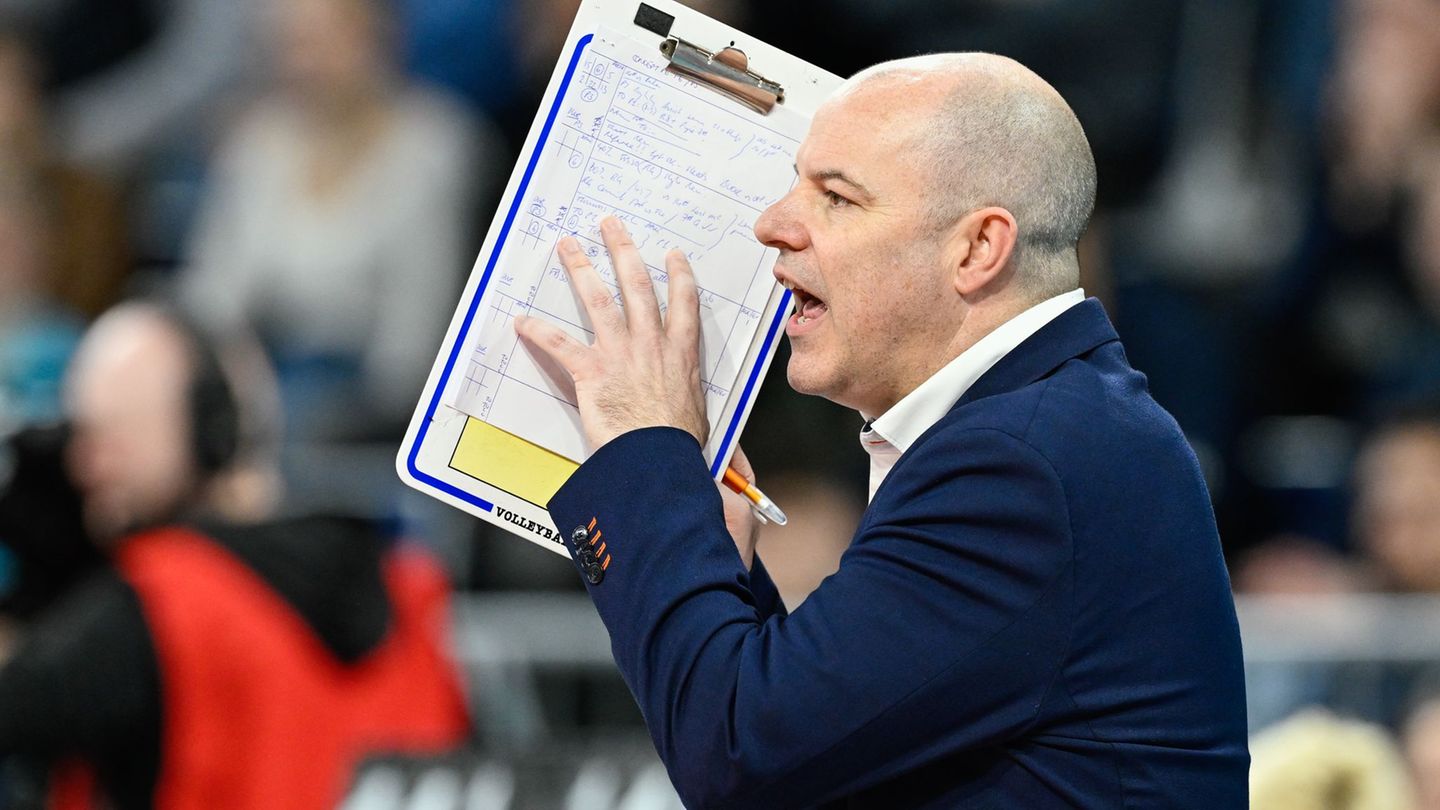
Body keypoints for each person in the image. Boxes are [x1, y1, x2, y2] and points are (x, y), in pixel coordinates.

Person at [514, 53, 1249, 806]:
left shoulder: (1020, 464)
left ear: (976, 250)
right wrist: (714, 573)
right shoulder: (1057, 427)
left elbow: (736, 754)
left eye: (835, 197)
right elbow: (821, 764)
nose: (773, 225)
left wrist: (646, 452)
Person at [0, 302, 470, 809]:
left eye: (105, 438)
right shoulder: (405, 582)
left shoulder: (154, 600)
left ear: (208, 426)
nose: (81, 465)